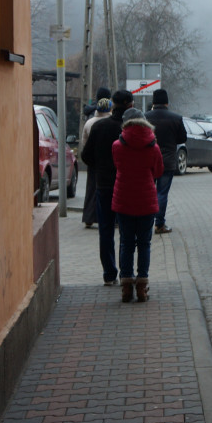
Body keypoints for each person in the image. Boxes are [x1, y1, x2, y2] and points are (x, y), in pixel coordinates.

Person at [80, 89, 133, 285]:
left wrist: (100, 165)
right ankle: (126, 273)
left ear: (112, 103)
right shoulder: (129, 128)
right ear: (130, 105)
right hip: (126, 185)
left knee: (106, 230)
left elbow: (85, 156)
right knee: (126, 231)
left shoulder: (99, 127)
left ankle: (109, 274)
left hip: (103, 185)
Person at [111, 108, 164, 303]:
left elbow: (118, 166)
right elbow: (158, 171)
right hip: (146, 200)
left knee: (126, 243)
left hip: (124, 199)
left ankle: (126, 288)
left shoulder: (117, 145)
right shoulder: (153, 147)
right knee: (144, 244)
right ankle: (142, 288)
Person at [145, 89, 187, 235]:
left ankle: (146, 222)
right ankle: (160, 224)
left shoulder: (145, 117)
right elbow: (182, 139)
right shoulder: (176, 118)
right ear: (167, 102)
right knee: (162, 193)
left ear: (154, 102)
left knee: (147, 192)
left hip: (148, 160)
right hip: (167, 161)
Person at [80, 93, 112, 228]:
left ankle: (88, 217)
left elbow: (84, 143)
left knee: (91, 189)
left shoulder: (89, 123)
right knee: (108, 190)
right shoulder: (113, 123)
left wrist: (89, 160)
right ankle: (108, 217)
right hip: (109, 163)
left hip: (93, 162)